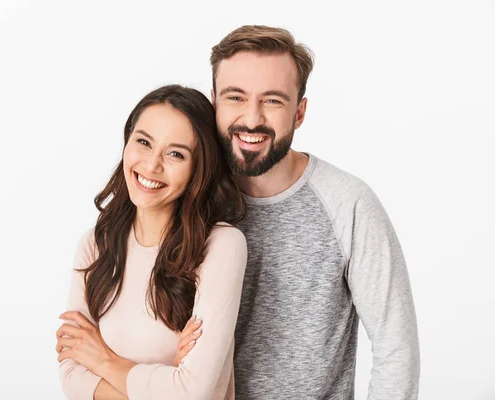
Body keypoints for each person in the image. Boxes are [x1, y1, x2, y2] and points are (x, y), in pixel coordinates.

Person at [176, 25, 421, 399]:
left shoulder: (348, 204)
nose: (252, 119)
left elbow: (396, 349)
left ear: (300, 112)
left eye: (273, 100)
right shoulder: (190, 196)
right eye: (235, 97)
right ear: (214, 104)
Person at [55, 84, 248, 400]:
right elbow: (71, 373)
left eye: (175, 154)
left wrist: (103, 358)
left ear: (198, 169)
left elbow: (191, 393)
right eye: (143, 142)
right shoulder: (95, 244)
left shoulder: (222, 246)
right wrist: (164, 382)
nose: (151, 165)